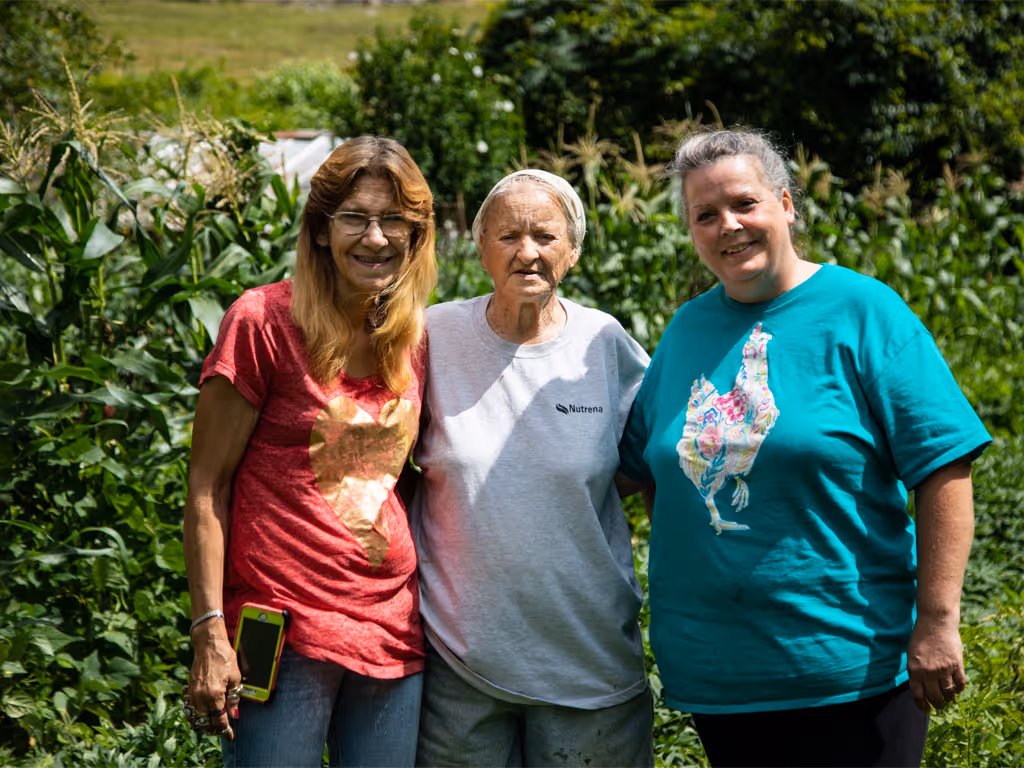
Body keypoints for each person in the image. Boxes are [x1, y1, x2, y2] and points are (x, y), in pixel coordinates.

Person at [618, 128, 992, 768]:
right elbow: (642, 468)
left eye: (744, 204)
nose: (728, 226)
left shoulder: (862, 312)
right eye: (705, 215)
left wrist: (936, 622)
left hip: (848, 666)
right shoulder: (686, 330)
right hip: (717, 677)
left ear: (786, 205)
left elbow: (943, 469)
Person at [182, 136, 436, 767]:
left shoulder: (415, 338)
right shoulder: (262, 322)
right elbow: (207, 487)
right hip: (283, 632)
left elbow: (393, 483)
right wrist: (209, 631)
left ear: (414, 235)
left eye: (393, 221)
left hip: (392, 633)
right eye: (355, 217)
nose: (375, 238)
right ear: (321, 230)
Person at [409, 169, 655, 767]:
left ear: (571, 251)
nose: (527, 253)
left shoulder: (603, 341)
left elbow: (649, 462)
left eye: (546, 236)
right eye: (508, 236)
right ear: (480, 246)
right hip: (459, 663)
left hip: (589, 659)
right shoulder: (432, 334)